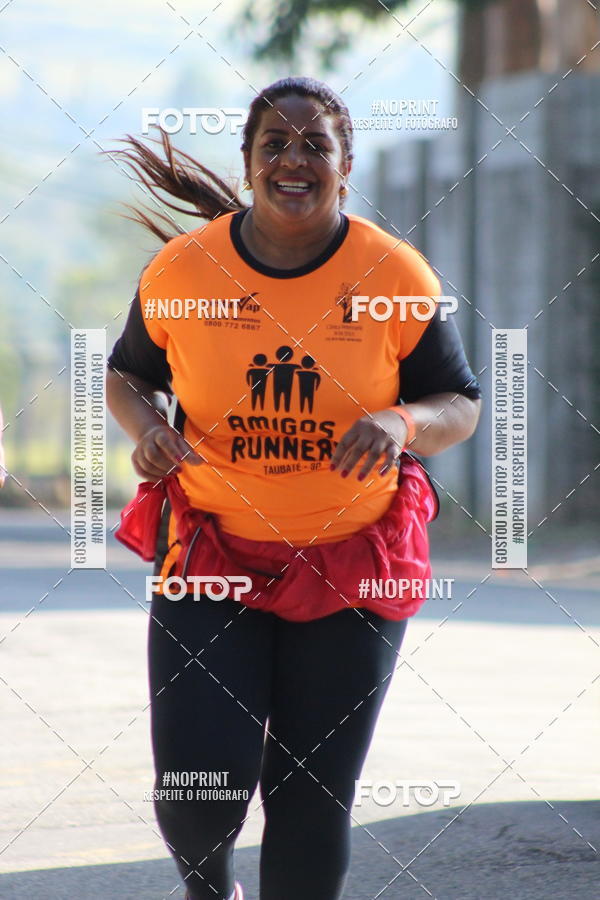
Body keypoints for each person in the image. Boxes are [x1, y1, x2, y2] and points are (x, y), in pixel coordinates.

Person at [106, 77, 481, 900]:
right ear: (246, 164)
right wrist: (149, 431)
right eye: (275, 143)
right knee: (196, 796)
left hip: (353, 564)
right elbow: (127, 374)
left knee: (311, 801)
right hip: (212, 556)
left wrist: (401, 424)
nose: (295, 158)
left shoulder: (394, 273)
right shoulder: (183, 271)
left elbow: (461, 404)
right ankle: (211, 887)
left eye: (317, 144)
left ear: (345, 166)